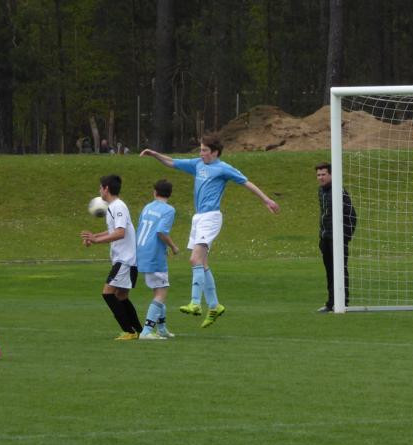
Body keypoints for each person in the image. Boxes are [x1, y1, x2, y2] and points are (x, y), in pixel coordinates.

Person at [140, 133, 280, 328]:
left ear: (215, 152)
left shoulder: (223, 168)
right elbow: (172, 162)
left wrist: (267, 199)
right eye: (201, 149)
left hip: (211, 217)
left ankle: (195, 303)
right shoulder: (197, 164)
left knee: (194, 259)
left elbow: (246, 182)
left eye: (205, 150)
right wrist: (154, 154)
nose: (201, 153)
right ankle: (214, 306)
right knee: (202, 263)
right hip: (198, 218)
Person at [80, 174, 142, 340]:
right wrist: (94, 238)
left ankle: (129, 331)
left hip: (125, 260)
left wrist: (96, 240)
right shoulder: (113, 207)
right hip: (125, 260)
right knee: (121, 297)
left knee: (108, 294)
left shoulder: (118, 206)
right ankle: (139, 331)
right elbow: (113, 231)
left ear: (106, 188)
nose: (99, 190)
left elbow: (120, 233)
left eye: (100, 187)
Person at [136, 179, 181, 340]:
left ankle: (161, 329)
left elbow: (142, 228)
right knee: (161, 293)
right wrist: (174, 247)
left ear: (155, 192)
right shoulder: (168, 210)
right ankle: (147, 331)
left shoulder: (147, 207)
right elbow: (161, 232)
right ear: (169, 194)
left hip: (142, 250)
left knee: (158, 290)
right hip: (153, 253)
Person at [315, 162, 357, 313]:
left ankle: (343, 302)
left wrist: (345, 237)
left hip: (338, 239)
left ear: (331, 175)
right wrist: (322, 235)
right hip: (325, 238)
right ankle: (331, 302)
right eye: (318, 175)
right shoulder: (321, 191)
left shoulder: (339, 191)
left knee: (340, 270)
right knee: (329, 270)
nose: (321, 178)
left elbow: (352, 215)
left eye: (323, 174)